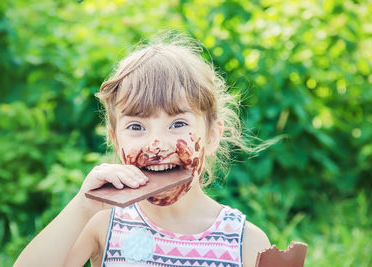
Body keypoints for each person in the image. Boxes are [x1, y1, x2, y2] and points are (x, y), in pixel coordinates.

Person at [15, 33, 270, 267]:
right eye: (137, 126)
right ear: (116, 140)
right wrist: (83, 205)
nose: (155, 146)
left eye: (178, 124)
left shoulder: (245, 242)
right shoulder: (104, 223)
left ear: (212, 136)